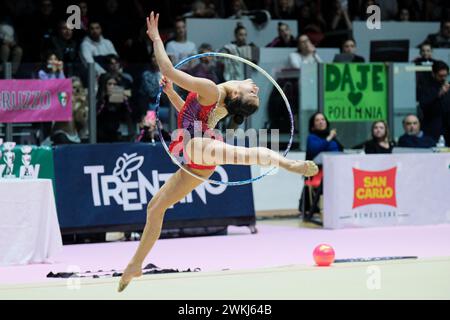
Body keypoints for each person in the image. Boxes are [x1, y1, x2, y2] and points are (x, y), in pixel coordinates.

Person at [118, 12, 319, 292]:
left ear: (237, 94)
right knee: (155, 207)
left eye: (254, 93)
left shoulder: (211, 90)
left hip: (198, 147)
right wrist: (171, 95)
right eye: (256, 92)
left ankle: (290, 165)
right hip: (197, 158)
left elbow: (167, 68)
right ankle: (135, 264)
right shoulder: (218, 102)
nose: (255, 87)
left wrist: (155, 39)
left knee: (246, 156)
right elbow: (187, 116)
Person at [417, 60, 450, 143]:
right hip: (432, 128)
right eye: (440, 76)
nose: (443, 78)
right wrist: (438, 94)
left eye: (445, 76)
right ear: (433, 74)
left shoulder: (447, 86)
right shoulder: (425, 87)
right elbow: (423, 104)